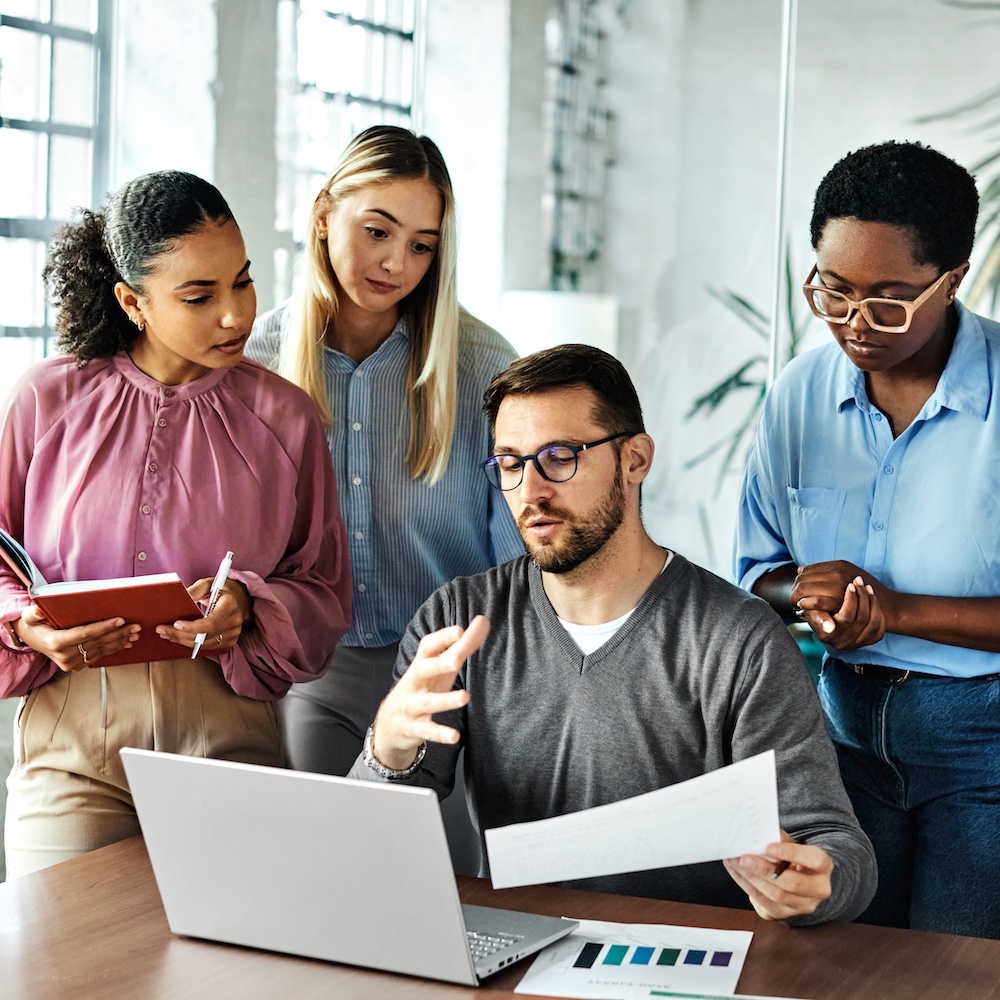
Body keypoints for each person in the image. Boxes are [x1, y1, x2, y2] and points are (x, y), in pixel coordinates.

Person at [348, 344, 876, 925]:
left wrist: (813, 882)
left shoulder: (738, 640)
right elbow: (367, 843)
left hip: (687, 964)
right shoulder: (457, 621)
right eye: (509, 463)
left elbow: (836, 845)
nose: (530, 491)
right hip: (521, 953)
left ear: (635, 460)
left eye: (559, 456)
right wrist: (387, 746)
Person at [0, 170, 351, 877]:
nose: (235, 315)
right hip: (72, 750)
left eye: (243, 282)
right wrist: (24, 622)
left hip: (227, 744)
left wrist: (249, 603)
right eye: (199, 295)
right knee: (58, 976)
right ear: (133, 301)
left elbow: (324, 586)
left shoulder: (286, 417)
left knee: (219, 979)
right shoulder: (45, 399)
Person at [735, 140, 1000, 938]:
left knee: (952, 972)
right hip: (839, 732)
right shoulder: (799, 393)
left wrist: (892, 611)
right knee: (837, 961)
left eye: (888, 301)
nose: (854, 323)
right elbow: (757, 574)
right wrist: (810, 595)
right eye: (834, 291)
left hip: (982, 746)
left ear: (952, 280)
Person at [247, 125, 520, 777]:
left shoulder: (485, 366)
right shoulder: (253, 365)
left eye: (421, 246)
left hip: (451, 675)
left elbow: (522, 554)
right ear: (322, 215)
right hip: (312, 674)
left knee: (445, 876)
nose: (396, 263)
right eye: (378, 231)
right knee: (320, 867)